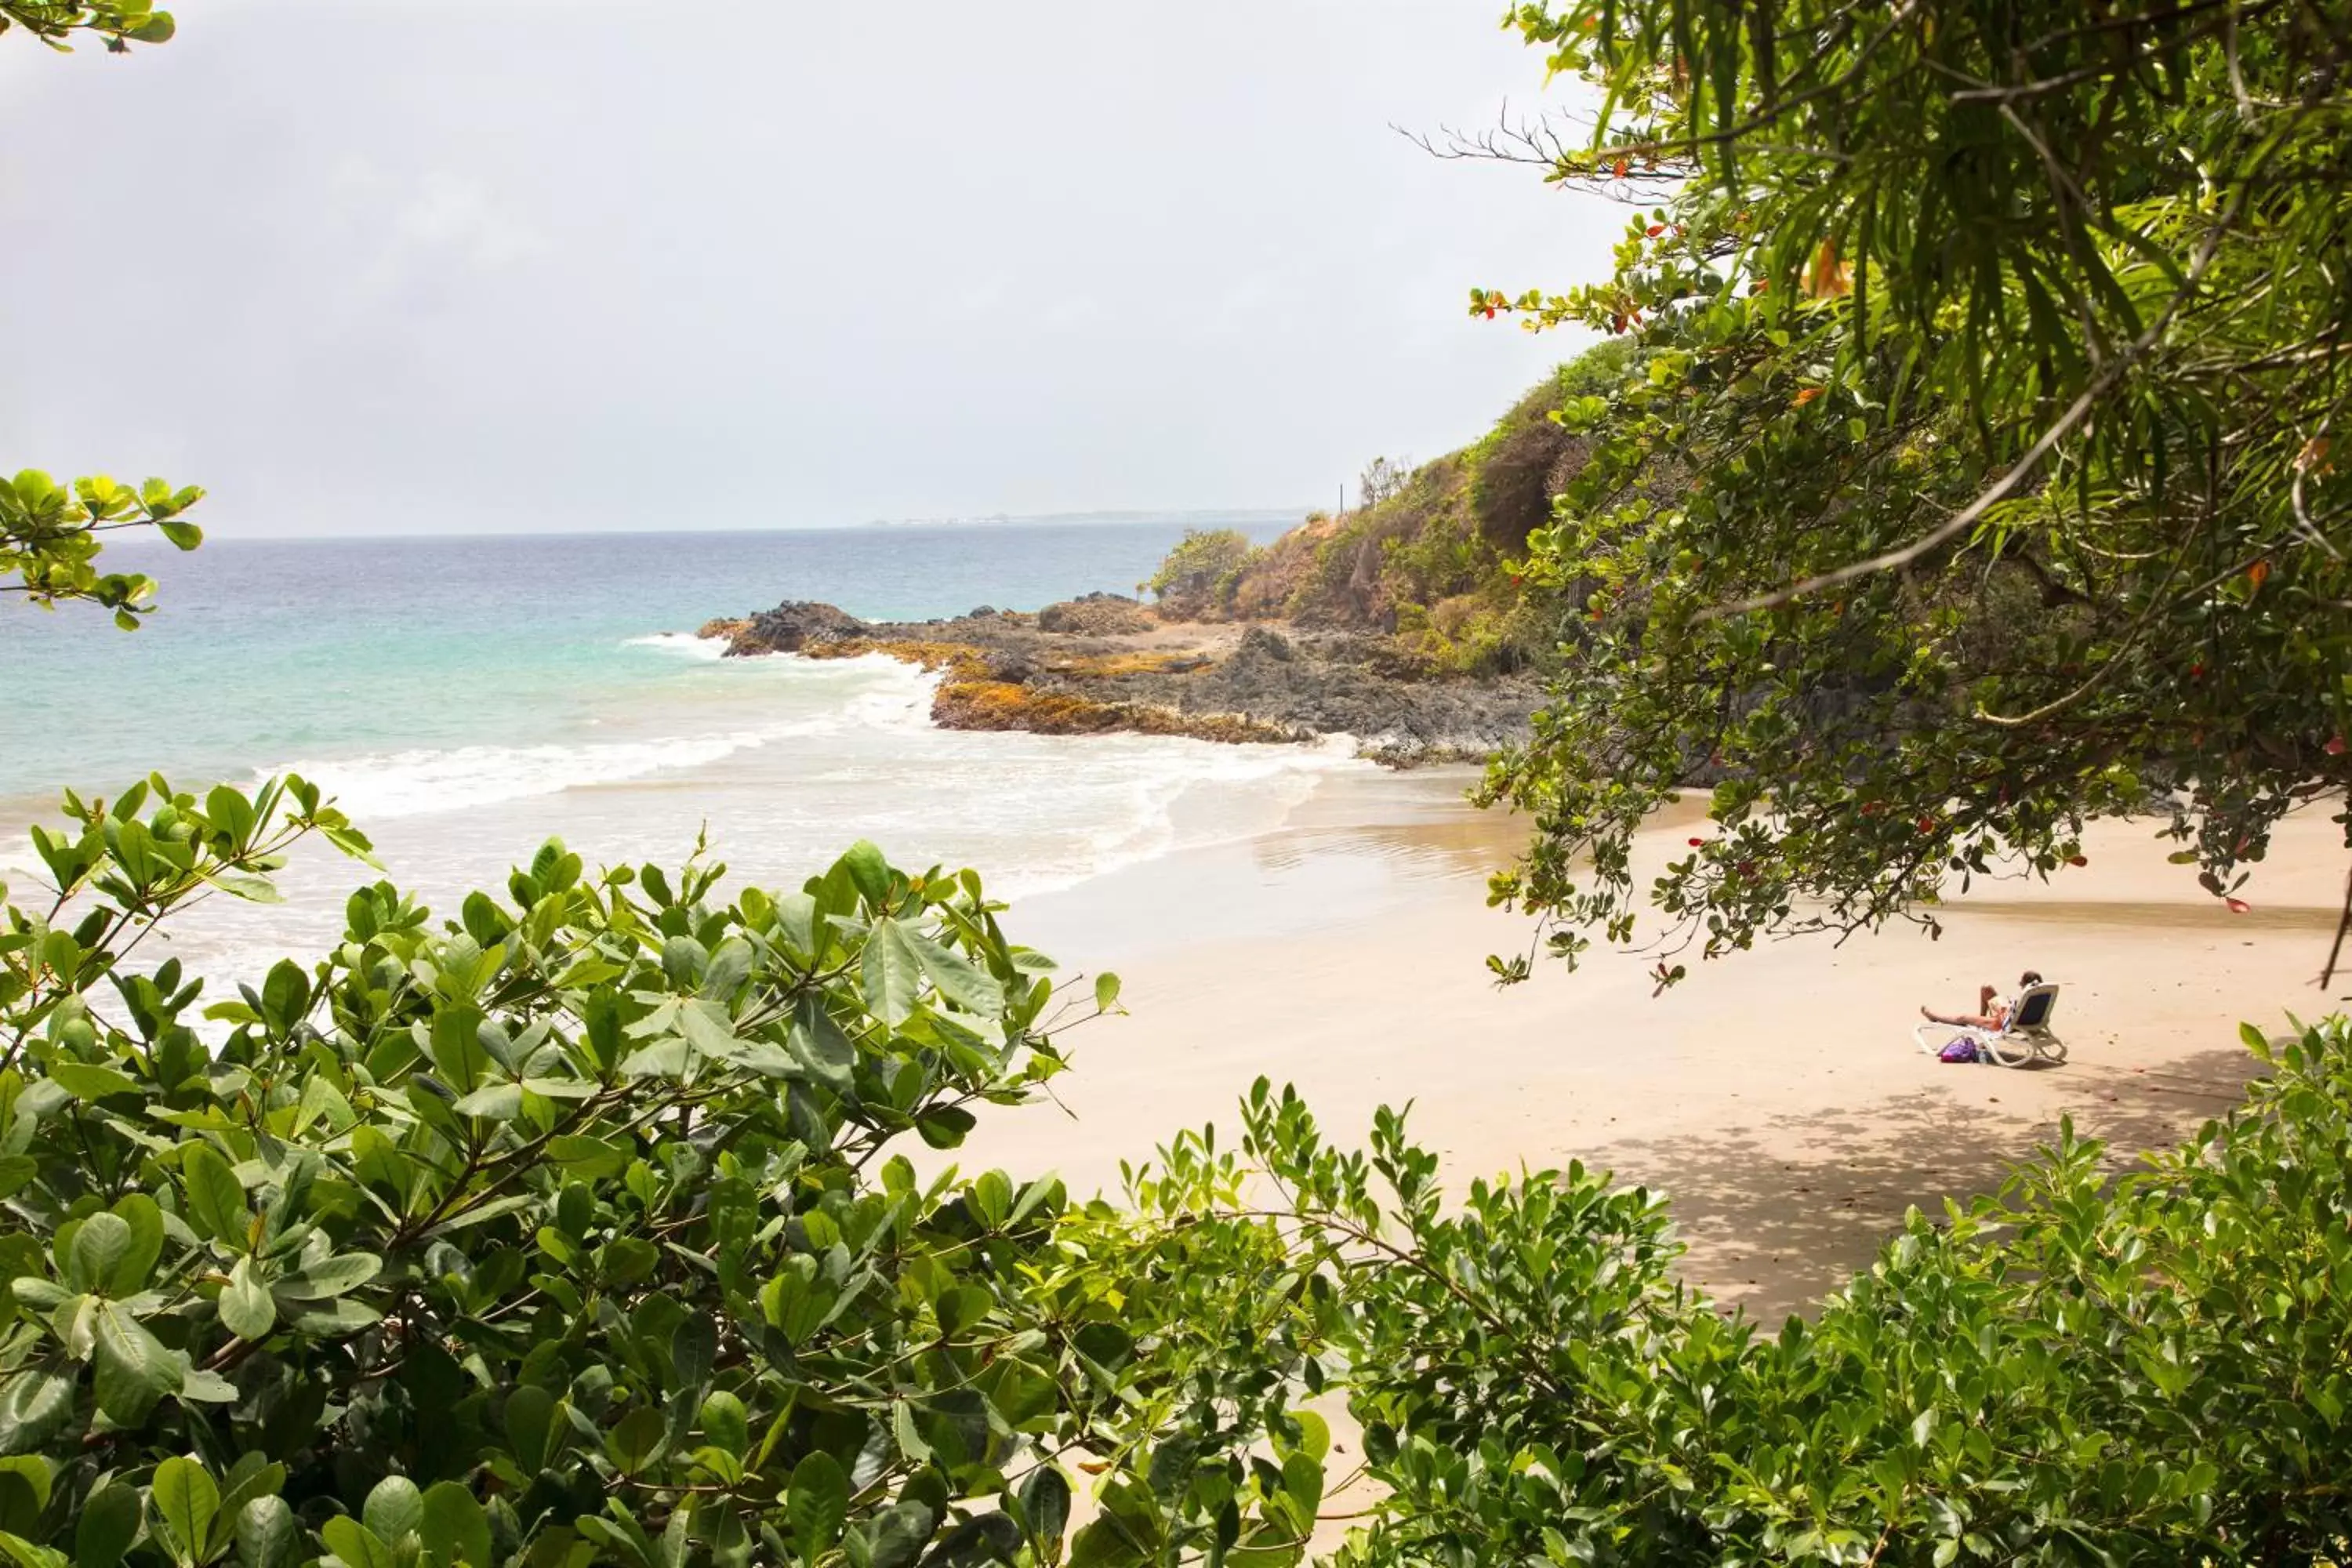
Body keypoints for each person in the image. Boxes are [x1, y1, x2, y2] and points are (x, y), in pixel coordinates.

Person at [1921, 970, 2043, 1030]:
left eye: (2021, 981)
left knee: (1962, 1018)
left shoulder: (2026, 995)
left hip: (2000, 1022)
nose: (2019, 983)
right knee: (1986, 988)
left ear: (2026, 983)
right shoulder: (2037, 994)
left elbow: (2008, 1019)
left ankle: (1934, 1017)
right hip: (2009, 1015)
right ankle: (1981, 1018)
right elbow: (2015, 1010)